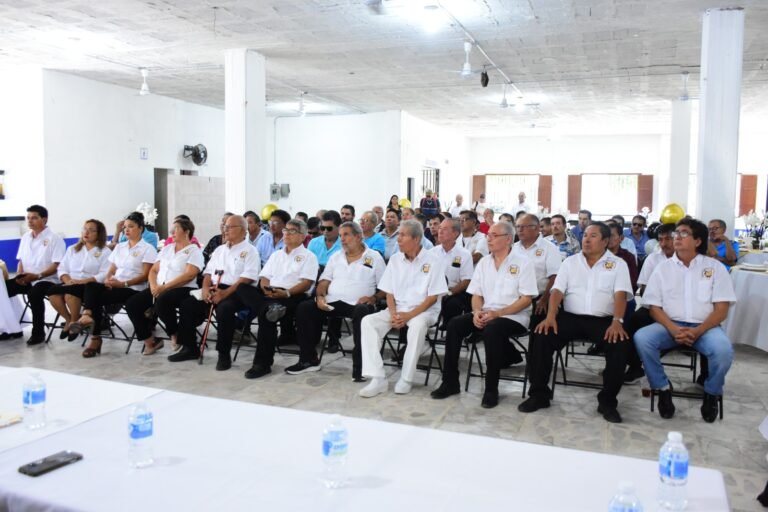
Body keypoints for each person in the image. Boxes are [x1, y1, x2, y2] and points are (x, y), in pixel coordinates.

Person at [519, 222, 633, 423]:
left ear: (606, 241)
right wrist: (551, 316)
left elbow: (621, 295)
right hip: (570, 317)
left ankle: (607, 401)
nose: (587, 240)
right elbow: (557, 291)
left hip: (603, 320)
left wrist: (617, 321)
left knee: (620, 344)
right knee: (541, 335)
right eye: (585, 235)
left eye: (593, 236)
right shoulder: (570, 263)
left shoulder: (617, 264)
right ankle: (539, 394)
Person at [634, 218, 736, 422]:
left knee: (724, 351)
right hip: (670, 326)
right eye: (676, 234)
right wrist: (673, 329)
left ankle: (711, 392)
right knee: (643, 338)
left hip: (706, 328)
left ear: (698, 241)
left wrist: (698, 331)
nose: (676, 238)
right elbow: (654, 307)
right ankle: (662, 388)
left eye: (683, 234)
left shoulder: (714, 267)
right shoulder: (663, 268)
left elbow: (722, 309)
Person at [431, 221, 537, 407]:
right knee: (455, 325)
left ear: (508, 239)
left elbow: (526, 299)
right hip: (487, 313)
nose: (489, 239)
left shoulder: (523, 263)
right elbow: (476, 294)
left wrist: (498, 313)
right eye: (488, 235)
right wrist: (477, 312)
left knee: (492, 330)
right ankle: (450, 382)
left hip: (514, 316)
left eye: (494, 236)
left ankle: (491, 388)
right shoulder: (484, 263)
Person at [358, 220, 447, 397]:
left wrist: (409, 316)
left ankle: (406, 378)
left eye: (402, 235)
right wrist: (393, 313)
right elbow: (389, 292)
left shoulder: (434, 260)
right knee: (368, 322)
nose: (398, 239)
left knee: (417, 325)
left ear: (416, 239)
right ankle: (377, 378)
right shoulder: (395, 259)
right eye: (398, 234)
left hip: (423, 311)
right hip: (397, 309)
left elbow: (432, 298)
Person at [286, 221, 385, 381]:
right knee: (305, 308)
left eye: (346, 235)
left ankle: (360, 368)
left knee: (362, 312)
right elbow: (324, 281)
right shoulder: (336, 257)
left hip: (358, 304)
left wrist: (374, 298)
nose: (342, 239)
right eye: (340, 236)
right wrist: (319, 297)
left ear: (359, 237)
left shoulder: (374, 257)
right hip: (333, 301)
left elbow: (386, 288)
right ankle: (308, 360)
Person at [170, 215, 261, 368]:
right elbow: (207, 273)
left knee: (225, 310)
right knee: (188, 305)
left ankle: (223, 354)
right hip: (214, 288)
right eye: (225, 226)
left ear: (243, 230)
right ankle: (190, 348)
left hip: (238, 291)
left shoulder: (250, 251)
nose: (225, 229)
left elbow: (247, 278)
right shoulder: (219, 250)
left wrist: (224, 294)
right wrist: (205, 289)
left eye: (230, 227)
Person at [238, 219, 319, 379]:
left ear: (302, 236)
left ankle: (262, 364)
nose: (286, 234)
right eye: (285, 230)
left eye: (291, 231)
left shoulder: (308, 256)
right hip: (270, 295)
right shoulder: (276, 255)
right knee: (242, 288)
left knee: (266, 317)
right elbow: (264, 277)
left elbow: (306, 283)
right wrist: (266, 289)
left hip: (293, 295)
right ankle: (268, 307)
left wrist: (286, 293)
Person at [75, 211, 158, 357]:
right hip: (116, 285)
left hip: (133, 288)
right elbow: (112, 269)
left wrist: (123, 283)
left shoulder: (147, 249)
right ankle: (88, 315)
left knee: (96, 300)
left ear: (140, 228)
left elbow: (145, 275)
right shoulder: (120, 247)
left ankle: (95, 338)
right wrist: (108, 279)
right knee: (91, 286)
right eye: (125, 227)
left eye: (131, 226)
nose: (126, 230)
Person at [125, 217, 204, 355]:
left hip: (183, 289)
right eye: (171, 230)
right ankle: (150, 340)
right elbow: (154, 270)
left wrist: (165, 287)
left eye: (176, 229)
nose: (172, 232)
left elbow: (189, 275)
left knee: (163, 299)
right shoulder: (167, 249)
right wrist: (154, 286)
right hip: (160, 288)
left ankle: (174, 334)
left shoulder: (193, 251)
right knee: (133, 304)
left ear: (187, 231)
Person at [5, 205, 66, 345]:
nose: (30, 221)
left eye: (34, 218)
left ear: (44, 219)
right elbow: (21, 260)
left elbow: (57, 265)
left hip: (48, 280)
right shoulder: (26, 237)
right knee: (4, 289)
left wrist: (37, 276)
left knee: (35, 293)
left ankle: (38, 333)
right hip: (27, 278)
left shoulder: (55, 239)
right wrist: (20, 275)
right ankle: (10, 328)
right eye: (28, 218)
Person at [623, 223, 676, 384]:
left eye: (668, 239)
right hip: (655, 306)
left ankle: (705, 379)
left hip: (680, 310)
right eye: (660, 239)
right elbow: (644, 287)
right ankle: (634, 366)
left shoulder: (690, 260)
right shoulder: (653, 258)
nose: (664, 243)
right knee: (632, 321)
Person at [46, 220, 111, 341]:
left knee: (70, 294)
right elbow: (62, 268)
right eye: (85, 229)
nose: (87, 232)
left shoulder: (105, 251)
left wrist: (84, 281)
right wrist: (67, 279)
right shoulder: (73, 249)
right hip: (71, 282)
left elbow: (105, 273)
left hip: (90, 286)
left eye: (91, 230)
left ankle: (74, 322)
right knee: (52, 292)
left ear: (99, 234)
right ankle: (70, 320)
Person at [511, 214, 561, 323]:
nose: (520, 230)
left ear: (537, 228)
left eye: (524, 226)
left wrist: (544, 299)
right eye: (518, 226)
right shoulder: (513, 248)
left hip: (539, 298)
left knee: (539, 330)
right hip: (513, 298)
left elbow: (555, 277)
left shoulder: (549, 248)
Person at [431, 218, 474, 326]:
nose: (440, 231)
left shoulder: (464, 254)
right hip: (433, 291)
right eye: (440, 228)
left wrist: (449, 293)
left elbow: (467, 280)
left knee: (453, 303)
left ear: (455, 233)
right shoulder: (432, 252)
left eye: (444, 229)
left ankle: (448, 329)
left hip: (453, 291)